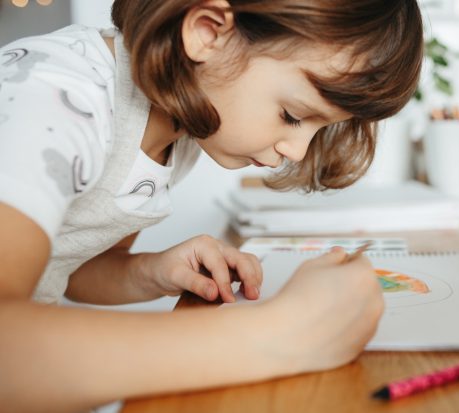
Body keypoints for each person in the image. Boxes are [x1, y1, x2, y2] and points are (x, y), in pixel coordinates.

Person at [0, 0, 423, 410]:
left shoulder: (176, 132)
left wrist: (150, 271)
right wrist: (284, 333)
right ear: (207, 32)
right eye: (293, 115)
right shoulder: (54, 98)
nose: (297, 150)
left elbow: (67, 268)